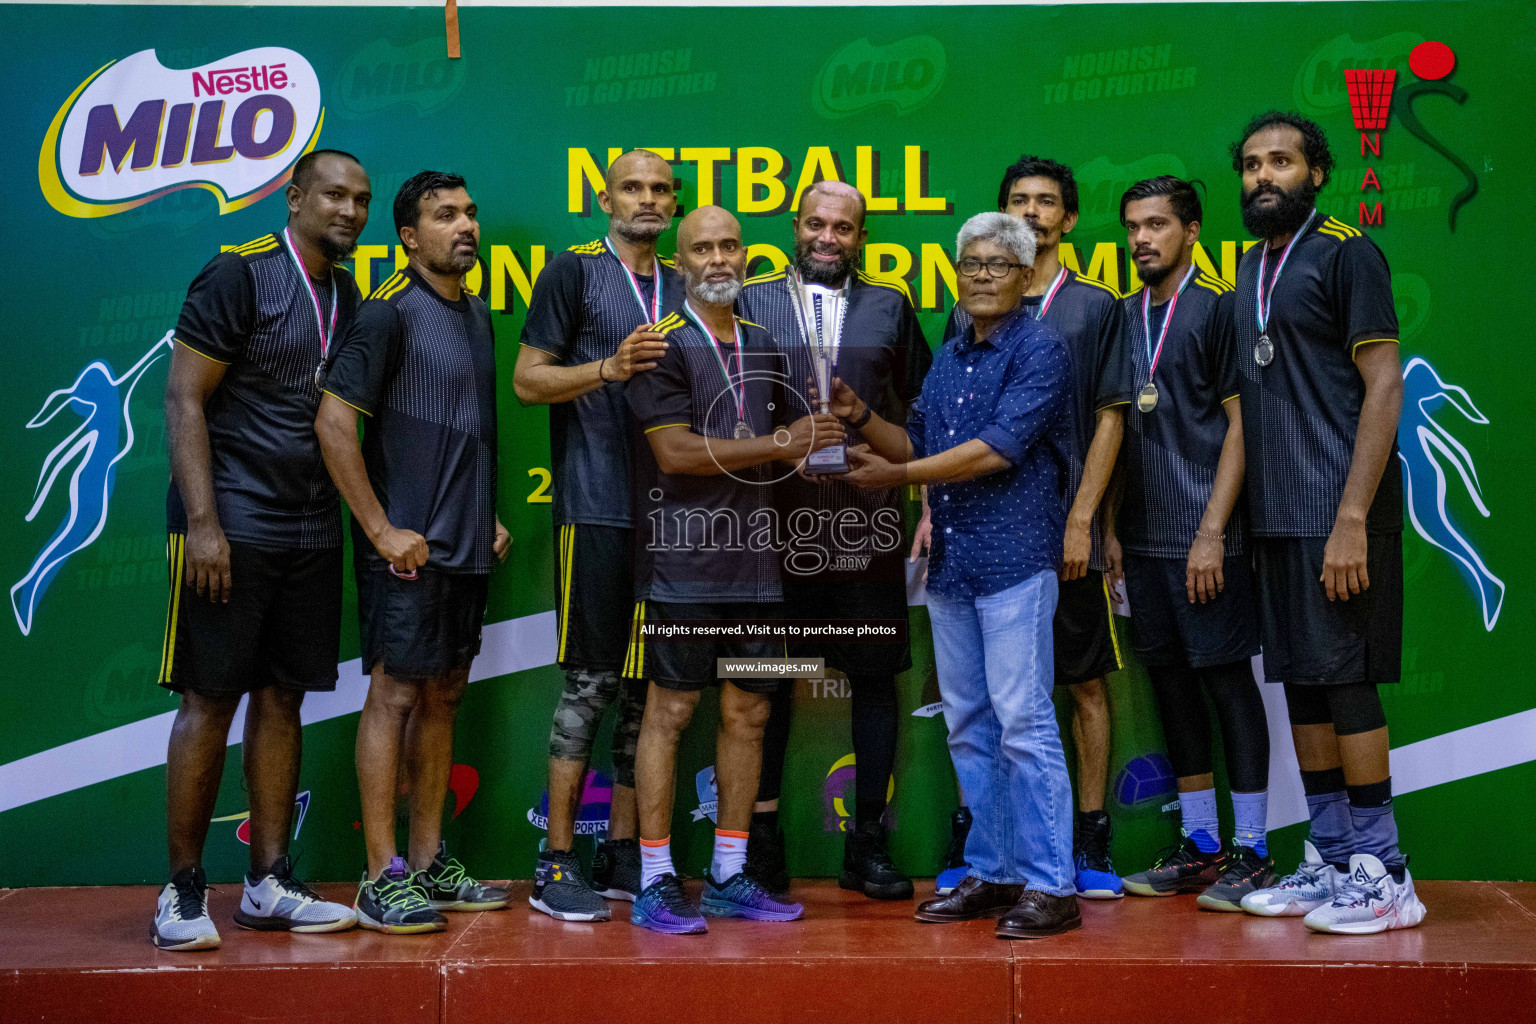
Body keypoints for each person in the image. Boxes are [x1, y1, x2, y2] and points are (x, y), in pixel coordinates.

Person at [840, 212, 1080, 940]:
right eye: (970, 264)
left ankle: (1052, 884)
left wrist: (901, 472)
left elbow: (996, 450)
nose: (981, 275)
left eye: (998, 265)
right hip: (953, 565)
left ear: (1028, 275)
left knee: (1023, 720)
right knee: (971, 725)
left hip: (1013, 562)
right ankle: (994, 869)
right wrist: (858, 416)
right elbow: (915, 437)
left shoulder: (1041, 349)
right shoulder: (951, 352)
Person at [153, 150, 370, 950]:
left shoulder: (349, 294)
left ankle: (268, 882)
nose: (348, 211)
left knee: (283, 699)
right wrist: (204, 523)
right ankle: (181, 891)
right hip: (230, 522)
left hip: (309, 527)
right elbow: (183, 397)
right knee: (210, 699)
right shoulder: (237, 274)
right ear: (295, 196)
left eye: (361, 201)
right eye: (335, 196)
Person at [1225, 112, 1424, 934]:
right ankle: (1335, 858)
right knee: (1302, 685)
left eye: (1281, 161)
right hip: (1277, 516)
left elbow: (1384, 388)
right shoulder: (1248, 262)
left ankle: (1386, 874)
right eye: (1250, 164)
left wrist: (1351, 517)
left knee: (1346, 683)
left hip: (1341, 512)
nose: (1263, 175)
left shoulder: (1348, 252)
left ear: (1316, 172)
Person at [624, 206, 842, 934]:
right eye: (704, 248)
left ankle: (727, 873)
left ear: (748, 256)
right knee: (671, 712)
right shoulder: (662, 345)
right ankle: (655, 879)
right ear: (680, 263)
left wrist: (833, 448)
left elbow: (789, 451)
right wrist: (788, 441)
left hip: (758, 568)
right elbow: (678, 453)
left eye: (731, 245)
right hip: (684, 562)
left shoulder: (764, 343)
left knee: (749, 713)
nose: (720, 258)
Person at [317, 171, 511, 934]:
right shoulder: (387, 313)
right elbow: (334, 424)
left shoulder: (478, 314)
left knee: (443, 696)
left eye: (469, 212)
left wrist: (487, 511)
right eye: (443, 216)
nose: (464, 225)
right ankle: (379, 876)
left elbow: (469, 425)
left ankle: (429, 862)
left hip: (465, 544)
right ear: (408, 235)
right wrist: (378, 529)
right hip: (407, 548)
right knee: (395, 697)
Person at [934, 157, 1129, 900]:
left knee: (1073, 687)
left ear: (1069, 218)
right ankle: (995, 857)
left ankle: (1088, 840)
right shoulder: (969, 310)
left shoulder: (1094, 306)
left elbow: (1111, 418)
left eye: (1047, 202)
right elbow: (947, 426)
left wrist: (1085, 519)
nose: (1035, 211)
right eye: (1020, 200)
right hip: (986, 531)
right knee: (987, 704)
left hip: (1062, 529)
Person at [736, 180, 931, 900]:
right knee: (765, 681)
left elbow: (922, 418)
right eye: (816, 224)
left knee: (875, 677)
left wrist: (926, 501)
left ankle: (867, 845)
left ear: (862, 237)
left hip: (866, 522)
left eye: (843, 228)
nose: (827, 238)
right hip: (769, 523)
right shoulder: (750, 300)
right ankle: (760, 843)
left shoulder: (892, 305)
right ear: (795, 225)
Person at [514, 149, 682, 920]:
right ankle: (555, 860)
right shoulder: (572, 273)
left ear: (674, 204)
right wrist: (609, 368)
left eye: (660, 189)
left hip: (675, 523)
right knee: (592, 684)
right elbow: (527, 380)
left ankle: (620, 853)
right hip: (597, 507)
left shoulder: (683, 285)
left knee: (648, 694)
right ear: (605, 197)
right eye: (633, 188)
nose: (646, 199)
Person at [1109, 177, 1276, 911]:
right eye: (1133, 227)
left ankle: (1256, 851)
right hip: (1142, 541)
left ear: (1192, 231)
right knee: (1171, 687)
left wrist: (1213, 532)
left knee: (1226, 685)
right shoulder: (1120, 316)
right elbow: (1115, 429)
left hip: (1207, 538)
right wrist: (1111, 529)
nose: (1143, 238)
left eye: (1157, 225)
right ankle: (1203, 844)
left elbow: (1244, 427)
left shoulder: (1219, 310)